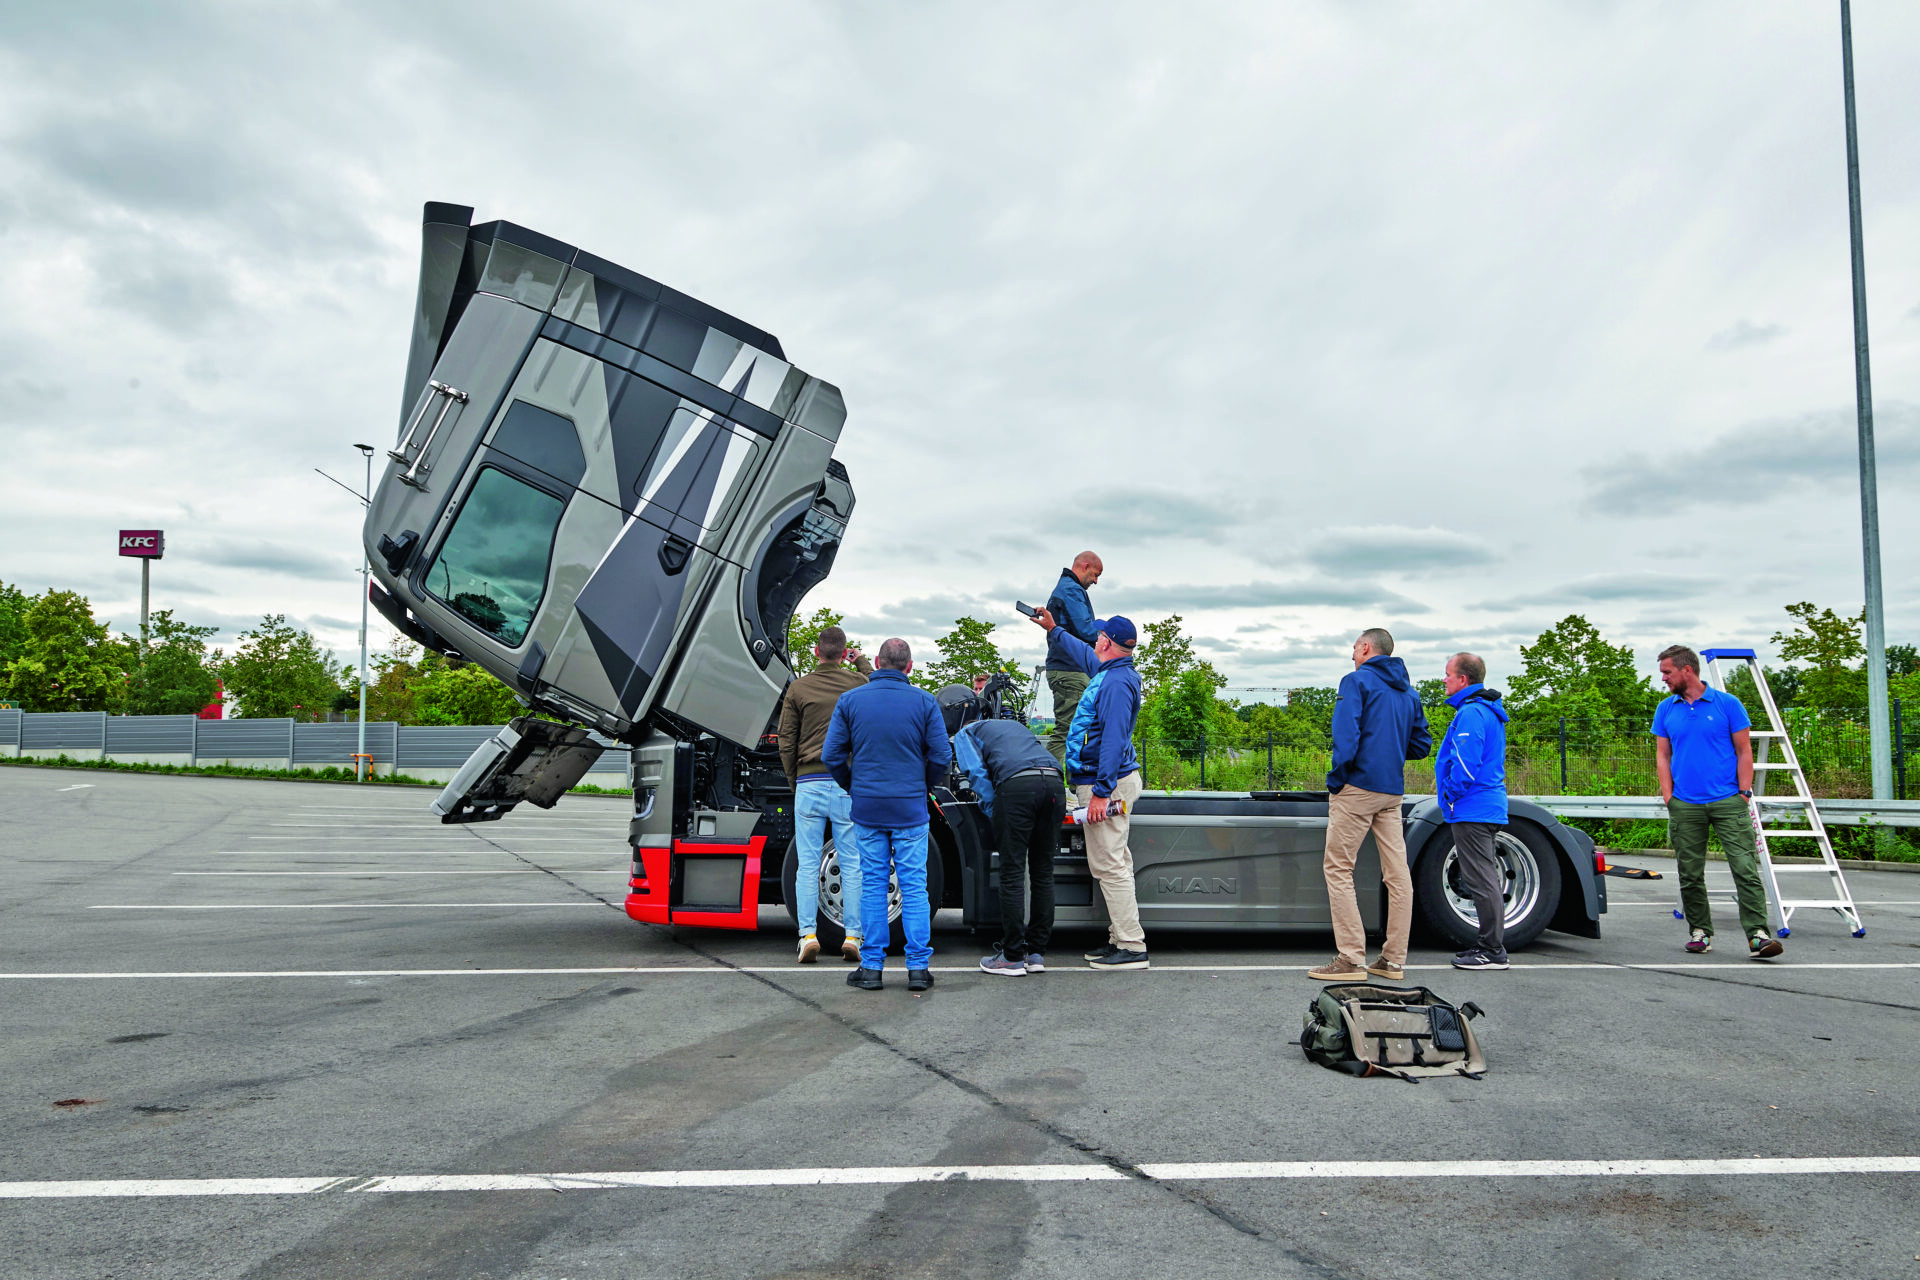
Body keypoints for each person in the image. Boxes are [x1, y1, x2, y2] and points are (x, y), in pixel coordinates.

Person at [822, 637, 952, 992]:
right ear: (909, 666)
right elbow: (941, 755)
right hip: (910, 808)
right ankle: (918, 970)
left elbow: (832, 755)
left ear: (877, 662)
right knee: (913, 888)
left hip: (868, 808)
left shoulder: (850, 701)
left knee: (873, 886)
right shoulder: (925, 702)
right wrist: (920, 785)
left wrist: (854, 786)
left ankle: (872, 968)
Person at [1027, 604, 1147, 970]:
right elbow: (1081, 652)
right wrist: (1052, 630)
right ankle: (1121, 936)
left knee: (1109, 864)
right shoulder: (1112, 670)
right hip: (1105, 781)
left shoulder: (1115, 683)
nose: (1094, 639)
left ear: (1107, 642)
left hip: (1105, 785)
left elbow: (1112, 740)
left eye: (1099, 635)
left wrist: (1099, 791)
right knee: (1116, 861)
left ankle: (1130, 945)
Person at [1310, 627, 1432, 983]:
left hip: (1357, 788)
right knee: (1398, 875)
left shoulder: (1356, 682)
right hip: (1391, 791)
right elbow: (1421, 744)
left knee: (1338, 869)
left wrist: (1338, 778)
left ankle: (1351, 959)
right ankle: (1393, 961)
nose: (1351, 654)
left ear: (1365, 647)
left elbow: (1345, 736)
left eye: (1354, 648)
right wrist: (1390, 751)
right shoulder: (1409, 693)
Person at [1653, 644, 1781, 959]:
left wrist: (1744, 791)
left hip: (1728, 801)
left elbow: (1744, 751)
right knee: (1691, 872)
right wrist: (1669, 797)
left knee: (1744, 868)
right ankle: (1700, 932)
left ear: (1687, 670)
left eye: (1667, 673)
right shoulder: (1666, 708)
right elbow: (1662, 754)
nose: (1664, 679)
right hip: (1685, 804)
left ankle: (1758, 936)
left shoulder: (1728, 704)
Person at [777, 626, 871, 964]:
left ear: (817, 653)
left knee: (807, 864)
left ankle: (807, 936)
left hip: (809, 783)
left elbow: (786, 740)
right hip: (846, 784)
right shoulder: (856, 684)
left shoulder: (798, 688)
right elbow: (876, 684)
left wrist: (795, 780)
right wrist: (860, 662)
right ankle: (854, 936)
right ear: (843, 653)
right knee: (852, 864)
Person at [954, 709, 1066, 976]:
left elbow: (976, 772)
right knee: (1042, 872)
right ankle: (1036, 954)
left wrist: (995, 810)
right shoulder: (1015, 727)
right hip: (1053, 783)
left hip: (1017, 787)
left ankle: (1012, 956)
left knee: (1013, 873)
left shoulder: (965, 733)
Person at [1434, 652, 1510, 971]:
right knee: (1483, 877)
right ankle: (1489, 946)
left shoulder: (1472, 714)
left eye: (1448, 674)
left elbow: (1466, 764)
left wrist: (1451, 793)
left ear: (1463, 680)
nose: (1444, 679)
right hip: (1481, 808)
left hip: (1473, 808)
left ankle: (1491, 949)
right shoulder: (1483, 710)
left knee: (1481, 880)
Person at [1043, 552, 1104, 770]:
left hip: (1067, 668)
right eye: (1096, 575)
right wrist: (1108, 633)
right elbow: (1086, 630)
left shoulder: (1068, 588)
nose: (1096, 581)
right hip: (1070, 670)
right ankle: (1046, 782)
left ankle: (1070, 784)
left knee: (1077, 730)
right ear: (1085, 566)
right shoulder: (1070, 589)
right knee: (1068, 730)